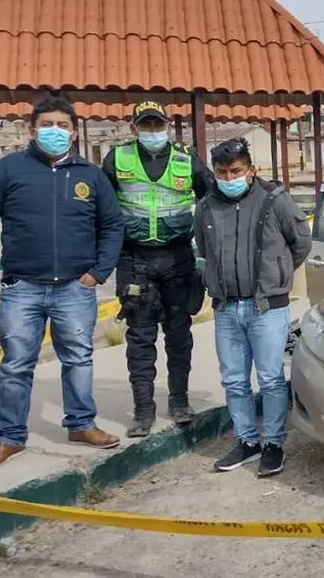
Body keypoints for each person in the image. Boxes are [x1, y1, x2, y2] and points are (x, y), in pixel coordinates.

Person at [0, 96, 125, 471]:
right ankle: (8, 437)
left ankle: (81, 424)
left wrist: (98, 272)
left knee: (78, 359)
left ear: (73, 131)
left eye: (63, 125)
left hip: (75, 288)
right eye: (47, 125)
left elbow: (113, 225)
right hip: (22, 287)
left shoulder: (90, 175)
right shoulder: (9, 170)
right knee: (16, 365)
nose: (55, 131)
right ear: (32, 129)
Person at [194, 138, 312, 476]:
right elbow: (205, 249)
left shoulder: (276, 201)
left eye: (235, 171)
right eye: (222, 172)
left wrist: (278, 274)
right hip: (227, 308)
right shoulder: (206, 207)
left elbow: (301, 243)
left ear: (251, 170)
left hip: (267, 309)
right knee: (233, 381)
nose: (228, 177)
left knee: (272, 378)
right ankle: (246, 442)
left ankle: (273, 443)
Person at [101, 101, 215, 437]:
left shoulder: (186, 158)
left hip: (177, 257)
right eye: (146, 125)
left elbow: (212, 199)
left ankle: (179, 402)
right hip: (134, 259)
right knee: (139, 337)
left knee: (179, 335)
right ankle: (143, 411)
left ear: (167, 125)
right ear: (134, 128)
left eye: (158, 124)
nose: (153, 130)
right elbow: (102, 208)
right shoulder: (117, 158)